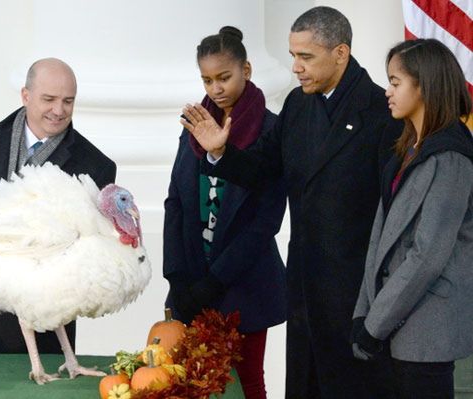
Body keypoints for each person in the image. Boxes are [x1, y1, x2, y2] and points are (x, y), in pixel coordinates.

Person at [181, 7, 403, 399]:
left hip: (356, 295)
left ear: (340, 53)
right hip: (304, 289)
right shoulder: (299, 105)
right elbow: (262, 169)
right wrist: (221, 152)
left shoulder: (381, 112)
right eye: (293, 55)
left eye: (306, 57)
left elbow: (395, 211)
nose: (295, 68)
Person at [0, 57, 116, 354]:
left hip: (47, 327)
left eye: (68, 101)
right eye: (49, 99)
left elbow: (91, 254)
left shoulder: (95, 167)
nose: (59, 110)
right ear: (25, 95)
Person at [163, 26, 287, 399]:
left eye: (224, 77)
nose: (215, 88)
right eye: (206, 79)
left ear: (246, 70)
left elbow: (265, 220)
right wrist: (178, 279)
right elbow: (176, 203)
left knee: (247, 380)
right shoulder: (196, 125)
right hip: (192, 280)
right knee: (191, 378)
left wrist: (215, 281)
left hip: (244, 283)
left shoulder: (272, 129)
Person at [352, 39, 473, 399]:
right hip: (393, 325)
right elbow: (380, 239)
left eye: (395, 82)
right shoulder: (407, 151)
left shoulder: (451, 159)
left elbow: (428, 255)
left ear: (425, 85)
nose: (387, 91)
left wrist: (374, 325)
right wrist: (364, 314)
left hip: (427, 334)